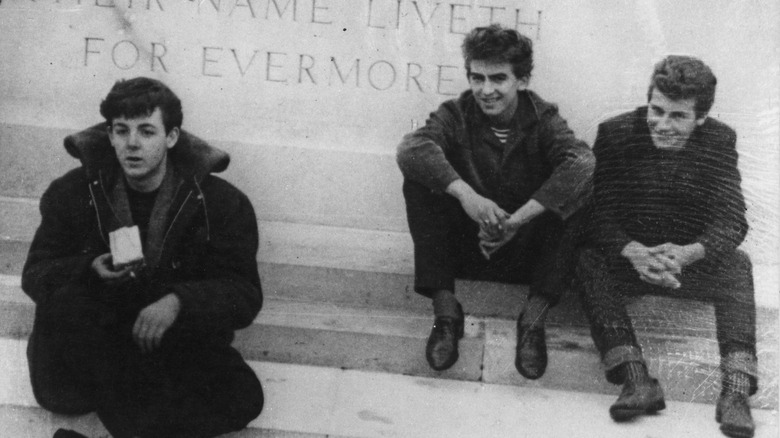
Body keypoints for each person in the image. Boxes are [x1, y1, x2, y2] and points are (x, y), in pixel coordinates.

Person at [22, 77, 264, 438]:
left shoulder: (222, 203)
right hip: (92, 344)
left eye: (147, 131)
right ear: (110, 135)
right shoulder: (71, 192)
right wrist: (88, 269)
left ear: (171, 137)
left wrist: (179, 301)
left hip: (163, 340)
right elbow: (36, 274)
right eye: (121, 130)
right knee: (137, 399)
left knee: (244, 397)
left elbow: (244, 294)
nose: (132, 144)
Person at [396, 24, 594, 377]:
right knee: (419, 181)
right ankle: (446, 315)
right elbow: (411, 149)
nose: (486, 90)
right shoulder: (456, 113)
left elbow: (582, 164)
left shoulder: (543, 118)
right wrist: (466, 195)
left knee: (578, 194)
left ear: (522, 79)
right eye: (477, 78)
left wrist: (517, 221)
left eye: (498, 78)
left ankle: (532, 322)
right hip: (470, 247)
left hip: (525, 252)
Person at [577, 55, 757, 438]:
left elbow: (732, 220)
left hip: (685, 267)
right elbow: (595, 215)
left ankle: (736, 392)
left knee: (737, 264)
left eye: (678, 116)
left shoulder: (719, 140)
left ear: (700, 118)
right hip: (630, 262)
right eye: (656, 111)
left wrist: (688, 253)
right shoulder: (616, 133)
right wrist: (634, 251)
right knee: (587, 258)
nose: (663, 124)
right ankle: (636, 379)